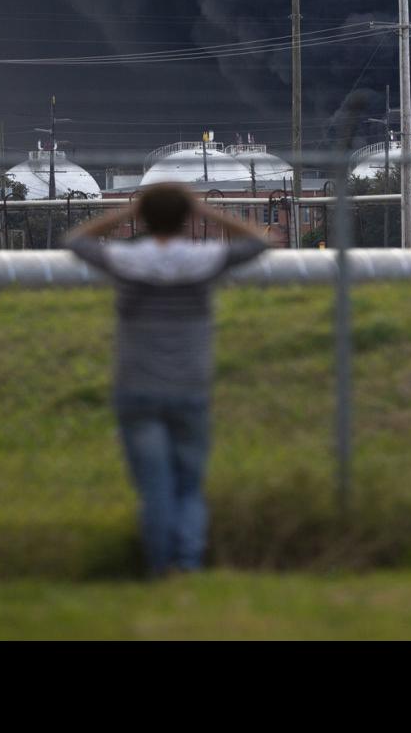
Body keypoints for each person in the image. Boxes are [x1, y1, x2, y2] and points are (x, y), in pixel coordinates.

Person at [66, 184, 270, 578]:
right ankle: (188, 565)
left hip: (136, 388)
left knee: (154, 489)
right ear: (186, 218)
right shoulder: (204, 260)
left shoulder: (125, 260)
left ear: (144, 217)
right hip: (190, 388)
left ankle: (161, 567)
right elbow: (262, 242)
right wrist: (205, 211)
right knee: (189, 485)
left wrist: (128, 213)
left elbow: (75, 241)